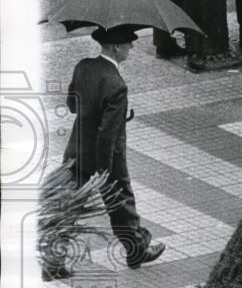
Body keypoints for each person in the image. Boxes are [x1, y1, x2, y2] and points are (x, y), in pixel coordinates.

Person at [60, 26, 166, 272]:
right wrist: (104, 171)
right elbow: (107, 134)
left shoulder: (83, 66)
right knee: (120, 201)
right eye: (129, 43)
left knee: (70, 204)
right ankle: (136, 249)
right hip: (107, 157)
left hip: (76, 148)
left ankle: (53, 257)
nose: (132, 47)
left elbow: (72, 105)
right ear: (117, 47)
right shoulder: (116, 84)